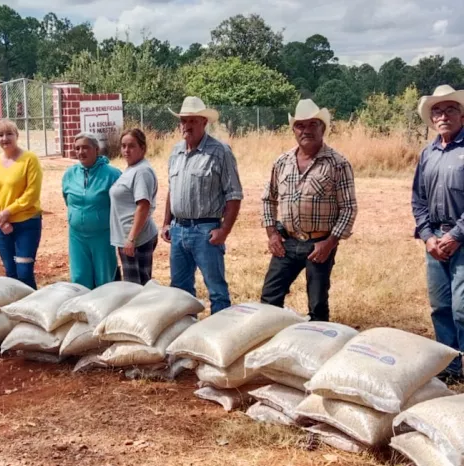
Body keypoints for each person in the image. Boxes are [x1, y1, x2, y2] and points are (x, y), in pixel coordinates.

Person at [260, 99, 357, 321]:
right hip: (287, 242)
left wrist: (329, 243)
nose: (306, 130)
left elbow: (349, 208)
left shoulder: (337, 163)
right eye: (300, 125)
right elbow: (268, 199)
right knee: (269, 299)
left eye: (313, 124)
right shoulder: (282, 162)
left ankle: (317, 347)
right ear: (294, 130)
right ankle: (272, 346)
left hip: (319, 245)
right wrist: (272, 234)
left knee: (317, 304)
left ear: (322, 127)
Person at [162, 97, 243, 313]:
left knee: (216, 289)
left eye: (192, 121)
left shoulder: (220, 152)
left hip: (206, 231)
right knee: (179, 289)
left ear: (204, 122)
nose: (186, 126)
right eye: (183, 121)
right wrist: (166, 223)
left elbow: (234, 194)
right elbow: (172, 189)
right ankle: (185, 335)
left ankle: (219, 336)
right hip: (178, 230)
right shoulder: (176, 152)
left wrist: (224, 230)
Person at [411, 84, 464, 384]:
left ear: (462, 115)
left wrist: (456, 235)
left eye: (450, 109)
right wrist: (428, 236)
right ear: (432, 119)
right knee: (441, 305)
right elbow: (418, 198)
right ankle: (450, 363)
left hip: (462, 240)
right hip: (434, 241)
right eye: (437, 111)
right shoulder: (427, 153)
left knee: (462, 306)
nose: (443, 115)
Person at [0, 119, 43, 289]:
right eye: (0, 135)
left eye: (9, 133)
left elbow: (31, 194)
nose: (5, 138)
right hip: (0, 226)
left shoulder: (30, 159)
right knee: (10, 272)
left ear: (17, 135)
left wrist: (7, 213)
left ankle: (30, 308)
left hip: (26, 223)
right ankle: (14, 311)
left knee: (24, 272)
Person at [62, 132, 122, 289]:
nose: (81, 152)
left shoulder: (112, 174)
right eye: (77, 148)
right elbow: (67, 200)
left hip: (102, 236)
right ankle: (82, 311)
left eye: (86, 148)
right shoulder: (69, 174)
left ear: (96, 149)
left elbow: (122, 206)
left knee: (104, 280)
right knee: (79, 278)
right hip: (77, 237)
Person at [109, 128, 159, 285]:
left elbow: (143, 206)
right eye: (123, 146)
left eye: (131, 146)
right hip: (129, 237)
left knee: (136, 288)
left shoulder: (142, 172)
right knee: (134, 285)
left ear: (142, 148)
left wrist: (131, 239)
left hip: (137, 239)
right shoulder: (132, 169)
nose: (126, 150)